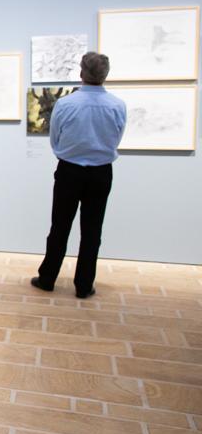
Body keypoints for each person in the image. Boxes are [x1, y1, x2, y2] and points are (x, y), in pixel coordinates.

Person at [32, 52, 126, 299]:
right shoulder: (117, 105)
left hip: (69, 171)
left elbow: (55, 139)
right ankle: (84, 285)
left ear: (81, 73)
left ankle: (48, 277)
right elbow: (117, 138)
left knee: (59, 226)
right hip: (101, 172)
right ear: (105, 75)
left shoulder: (66, 104)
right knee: (93, 230)